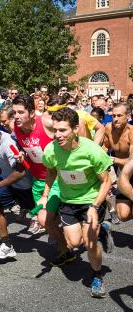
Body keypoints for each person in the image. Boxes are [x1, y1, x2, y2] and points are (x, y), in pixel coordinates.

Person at [41, 107, 112, 298]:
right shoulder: (51, 150)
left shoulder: (91, 151)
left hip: (91, 200)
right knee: (74, 243)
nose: (57, 135)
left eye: (62, 130)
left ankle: (97, 276)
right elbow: (50, 172)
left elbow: (106, 181)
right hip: (68, 200)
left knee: (89, 244)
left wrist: (95, 207)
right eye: (55, 130)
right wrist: (45, 194)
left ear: (75, 129)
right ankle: (102, 230)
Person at [12, 96, 74, 265]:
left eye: (20, 112)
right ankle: (66, 249)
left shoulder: (46, 122)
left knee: (43, 218)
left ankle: (68, 245)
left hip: (55, 179)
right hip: (36, 181)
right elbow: (28, 148)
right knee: (50, 222)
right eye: (14, 112)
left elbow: (73, 132)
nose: (16, 116)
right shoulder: (16, 128)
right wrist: (21, 154)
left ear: (32, 113)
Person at [0, 121, 35, 260]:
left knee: (44, 218)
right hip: (9, 183)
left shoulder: (8, 145)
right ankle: (7, 246)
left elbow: (20, 172)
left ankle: (65, 245)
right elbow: (6, 165)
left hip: (25, 186)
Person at [104, 103, 133, 224]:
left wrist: (113, 160)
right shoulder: (109, 128)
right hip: (122, 173)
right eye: (113, 115)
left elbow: (132, 161)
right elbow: (104, 148)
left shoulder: (132, 132)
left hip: (131, 169)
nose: (115, 119)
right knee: (122, 215)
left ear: (128, 116)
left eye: (119, 115)